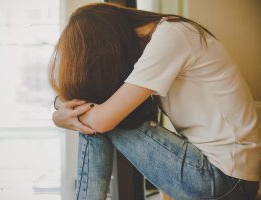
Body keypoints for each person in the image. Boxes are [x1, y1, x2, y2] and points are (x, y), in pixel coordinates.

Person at [49, 3, 261, 200]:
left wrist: (61, 115)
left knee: (93, 123)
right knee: (93, 117)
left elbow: (102, 120)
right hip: (225, 175)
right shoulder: (165, 37)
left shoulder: (172, 36)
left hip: (228, 181)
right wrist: (59, 106)